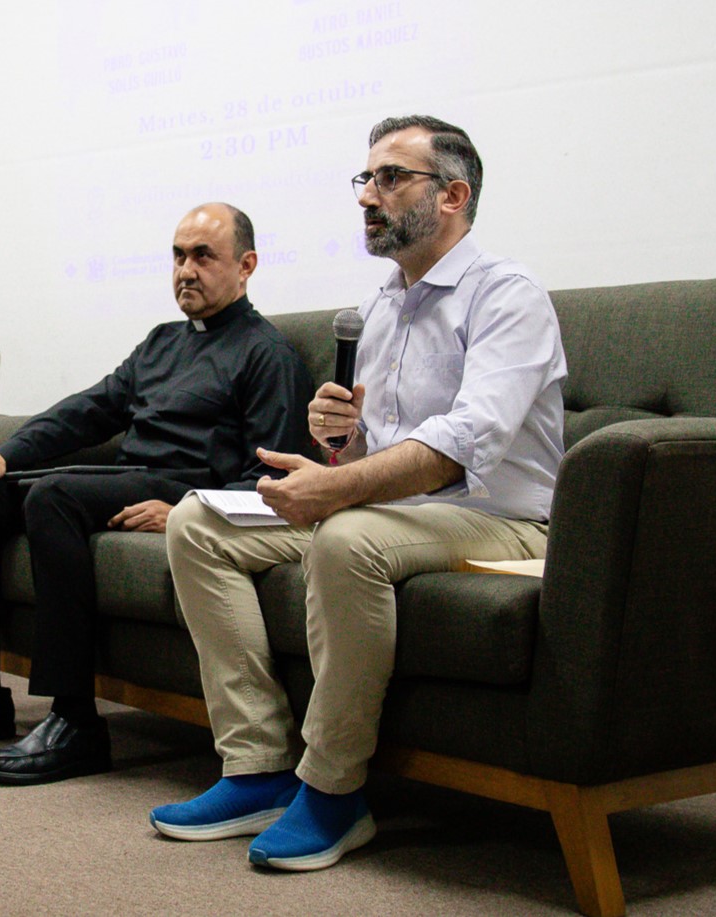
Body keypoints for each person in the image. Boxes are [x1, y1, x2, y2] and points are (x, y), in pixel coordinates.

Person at [150, 116, 568, 871]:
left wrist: (335, 485)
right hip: (403, 513)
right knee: (196, 521)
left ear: (452, 195)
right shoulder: (379, 305)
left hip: (504, 521)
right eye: (364, 179)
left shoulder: (507, 296)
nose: (367, 197)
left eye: (389, 178)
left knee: (345, 536)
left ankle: (333, 790)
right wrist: (338, 436)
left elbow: (463, 445)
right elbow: (381, 449)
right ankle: (256, 766)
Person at [0, 203, 315, 784]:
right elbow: (93, 408)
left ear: (246, 266)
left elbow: (270, 475)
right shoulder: (163, 341)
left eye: (203, 256)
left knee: (54, 497)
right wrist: (6, 453)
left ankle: (75, 721)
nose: (186, 271)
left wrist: (187, 513)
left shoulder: (266, 354)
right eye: (177, 255)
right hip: (128, 477)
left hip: (187, 486)